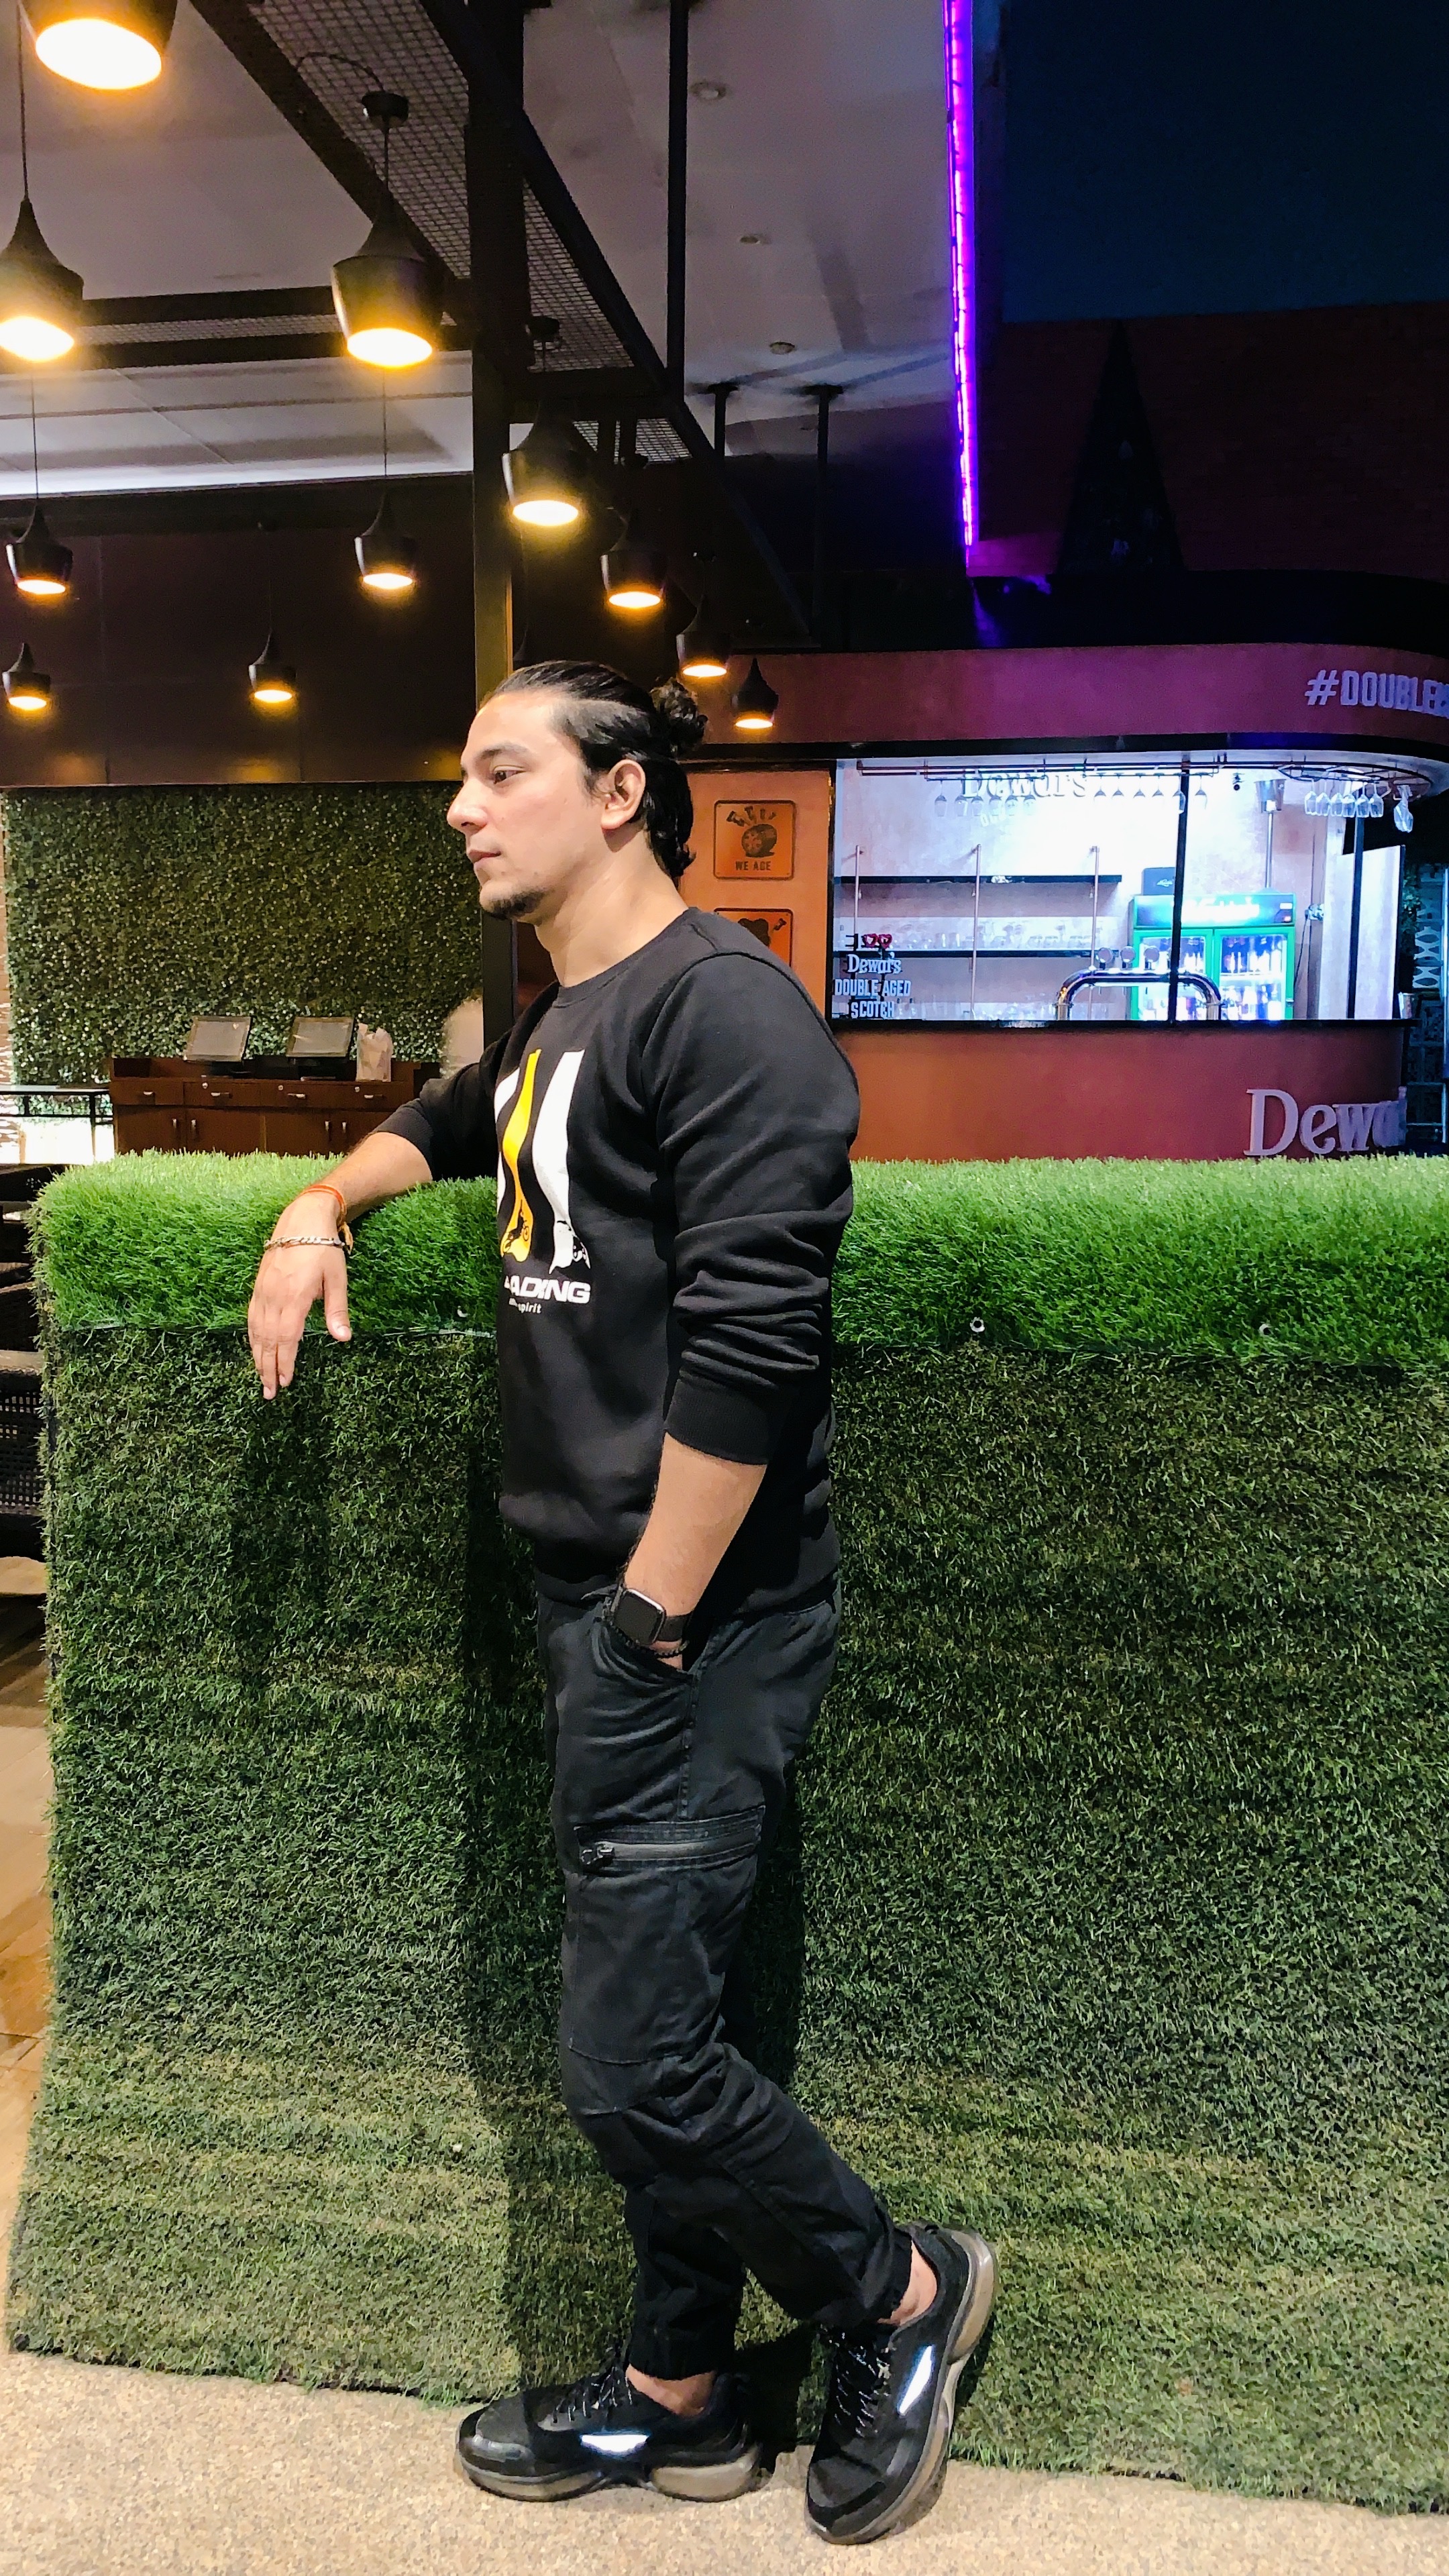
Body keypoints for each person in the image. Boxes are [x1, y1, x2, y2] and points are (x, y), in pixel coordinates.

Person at [246, 660, 995, 2544]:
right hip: (601, 1599)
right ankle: (681, 2395)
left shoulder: (728, 1015)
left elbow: (755, 1352)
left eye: (501, 771)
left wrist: (651, 1621)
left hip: (692, 1622)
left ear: (620, 792)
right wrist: (319, 1206)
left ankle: (904, 2291)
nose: (461, 807)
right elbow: (450, 1117)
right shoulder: (567, 1015)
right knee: (673, 2020)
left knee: (630, 2060)